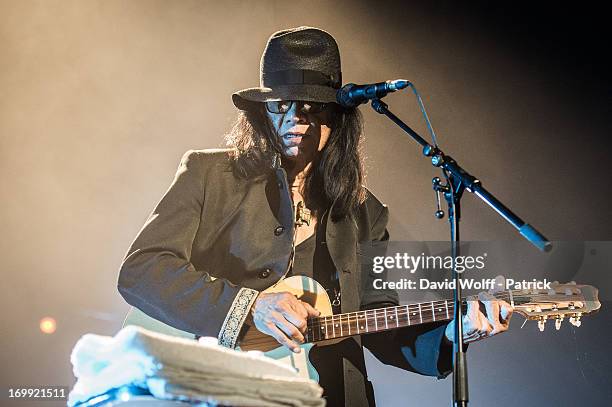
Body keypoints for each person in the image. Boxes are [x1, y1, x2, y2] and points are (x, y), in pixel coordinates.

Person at [118, 26, 513, 406]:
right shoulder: (209, 174)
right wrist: (249, 306)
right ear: (261, 112)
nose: (295, 119)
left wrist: (454, 332)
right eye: (281, 105)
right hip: (219, 387)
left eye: (311, 107)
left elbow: (382, 326)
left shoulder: (365, 212)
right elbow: (142, 270)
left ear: (337, 117)